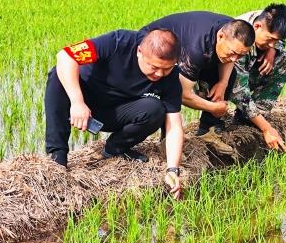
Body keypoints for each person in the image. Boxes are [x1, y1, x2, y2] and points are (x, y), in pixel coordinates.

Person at [44, 28, 184, 198]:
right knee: (57, 75)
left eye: (166, 69)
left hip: (116, 113)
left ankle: (115, 148)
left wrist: (172, 170)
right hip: (84, 101)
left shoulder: (171, 77)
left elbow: (174, 124)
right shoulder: (118, 42)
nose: (160, 74)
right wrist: (77, 102)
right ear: (139, 51)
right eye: (154, 67)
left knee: (155, 109)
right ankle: (57, 155)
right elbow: (65, 56)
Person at [138, 11, 254, 135]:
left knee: (229, 76)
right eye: (232, 53)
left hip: (189, 49)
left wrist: (223, 83)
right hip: (154, 49)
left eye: (240, 55)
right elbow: (182, 95)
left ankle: (209, 129)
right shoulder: (197, 50)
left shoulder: (234, 29)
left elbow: (232, 57)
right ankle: (169, 136)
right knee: (168, 86)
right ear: (220, 36)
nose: (234, 59)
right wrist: (213, 107)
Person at [231, 4, 286, 151]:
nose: (272, 43)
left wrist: (272, 49)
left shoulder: (270, 21)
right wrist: (267, 128)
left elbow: (278, 38)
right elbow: (238, 90)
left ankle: (250, 117)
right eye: (270, 39)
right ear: (257, 26)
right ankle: (212, 121)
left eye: (276, 40)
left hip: (251, 63)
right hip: (220, 77)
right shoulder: (239, 35)